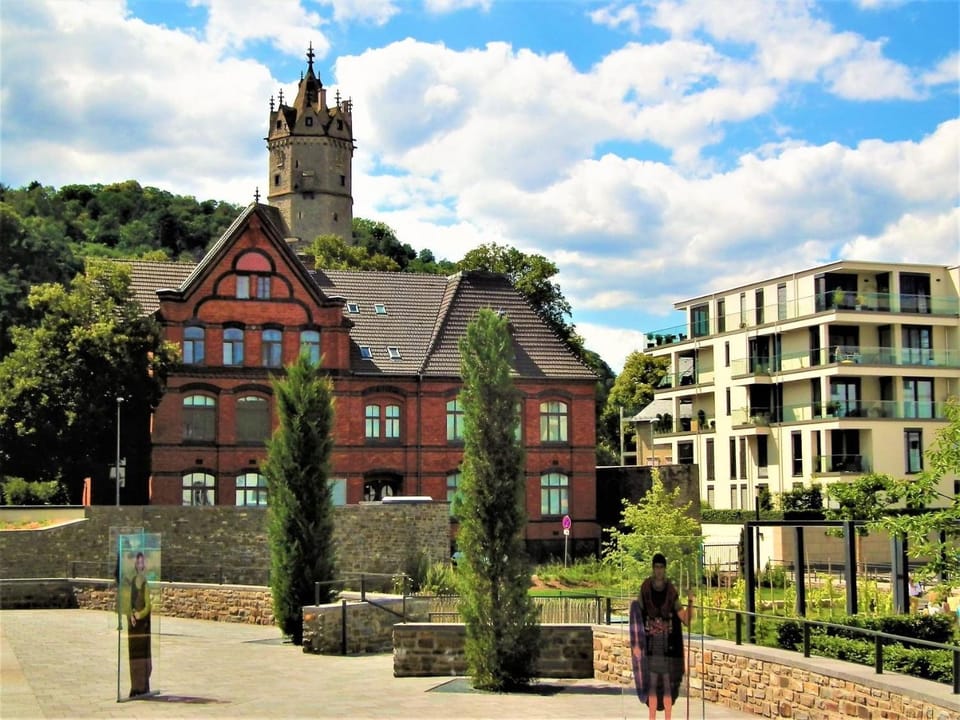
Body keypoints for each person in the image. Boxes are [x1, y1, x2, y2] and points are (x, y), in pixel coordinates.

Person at [630, 553, 695, 720]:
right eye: (656, 567)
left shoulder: (670, 590)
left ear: (664, 569)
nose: (659, 571)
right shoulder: (645, 588)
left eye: (661, 567)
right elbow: (637, 616)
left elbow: (685, 619)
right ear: (653, 568)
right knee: (651, 684)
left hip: (667, 645)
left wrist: (690, 602)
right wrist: (636, 643)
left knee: (667, 685)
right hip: (650, 643)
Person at [127, 551, 152, 697]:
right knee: (133, 657)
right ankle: (134, 687)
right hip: (133, 626)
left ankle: (142, 687)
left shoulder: (145, 583)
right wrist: (131, 614)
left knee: (143, 658)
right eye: (138, 562)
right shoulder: (131, 582)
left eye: (142, 562)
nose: (140, 565)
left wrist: (139, 614)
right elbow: (128, 602)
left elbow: (148, 606)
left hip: (143, 625)